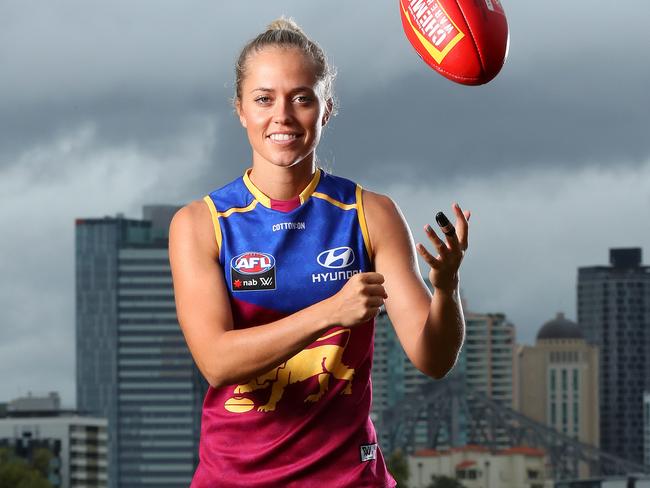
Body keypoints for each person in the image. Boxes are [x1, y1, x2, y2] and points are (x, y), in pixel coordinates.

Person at [168, 16, 471, 488]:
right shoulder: (199, 224)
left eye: (302, 98)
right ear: (241, 110)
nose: (282, 115)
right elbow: (217, 361)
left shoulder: (370, 213)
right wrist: (332, 311)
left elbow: (434, 361)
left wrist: (446, 288)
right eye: (264, 99)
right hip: (234, 479)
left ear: (326, 109)